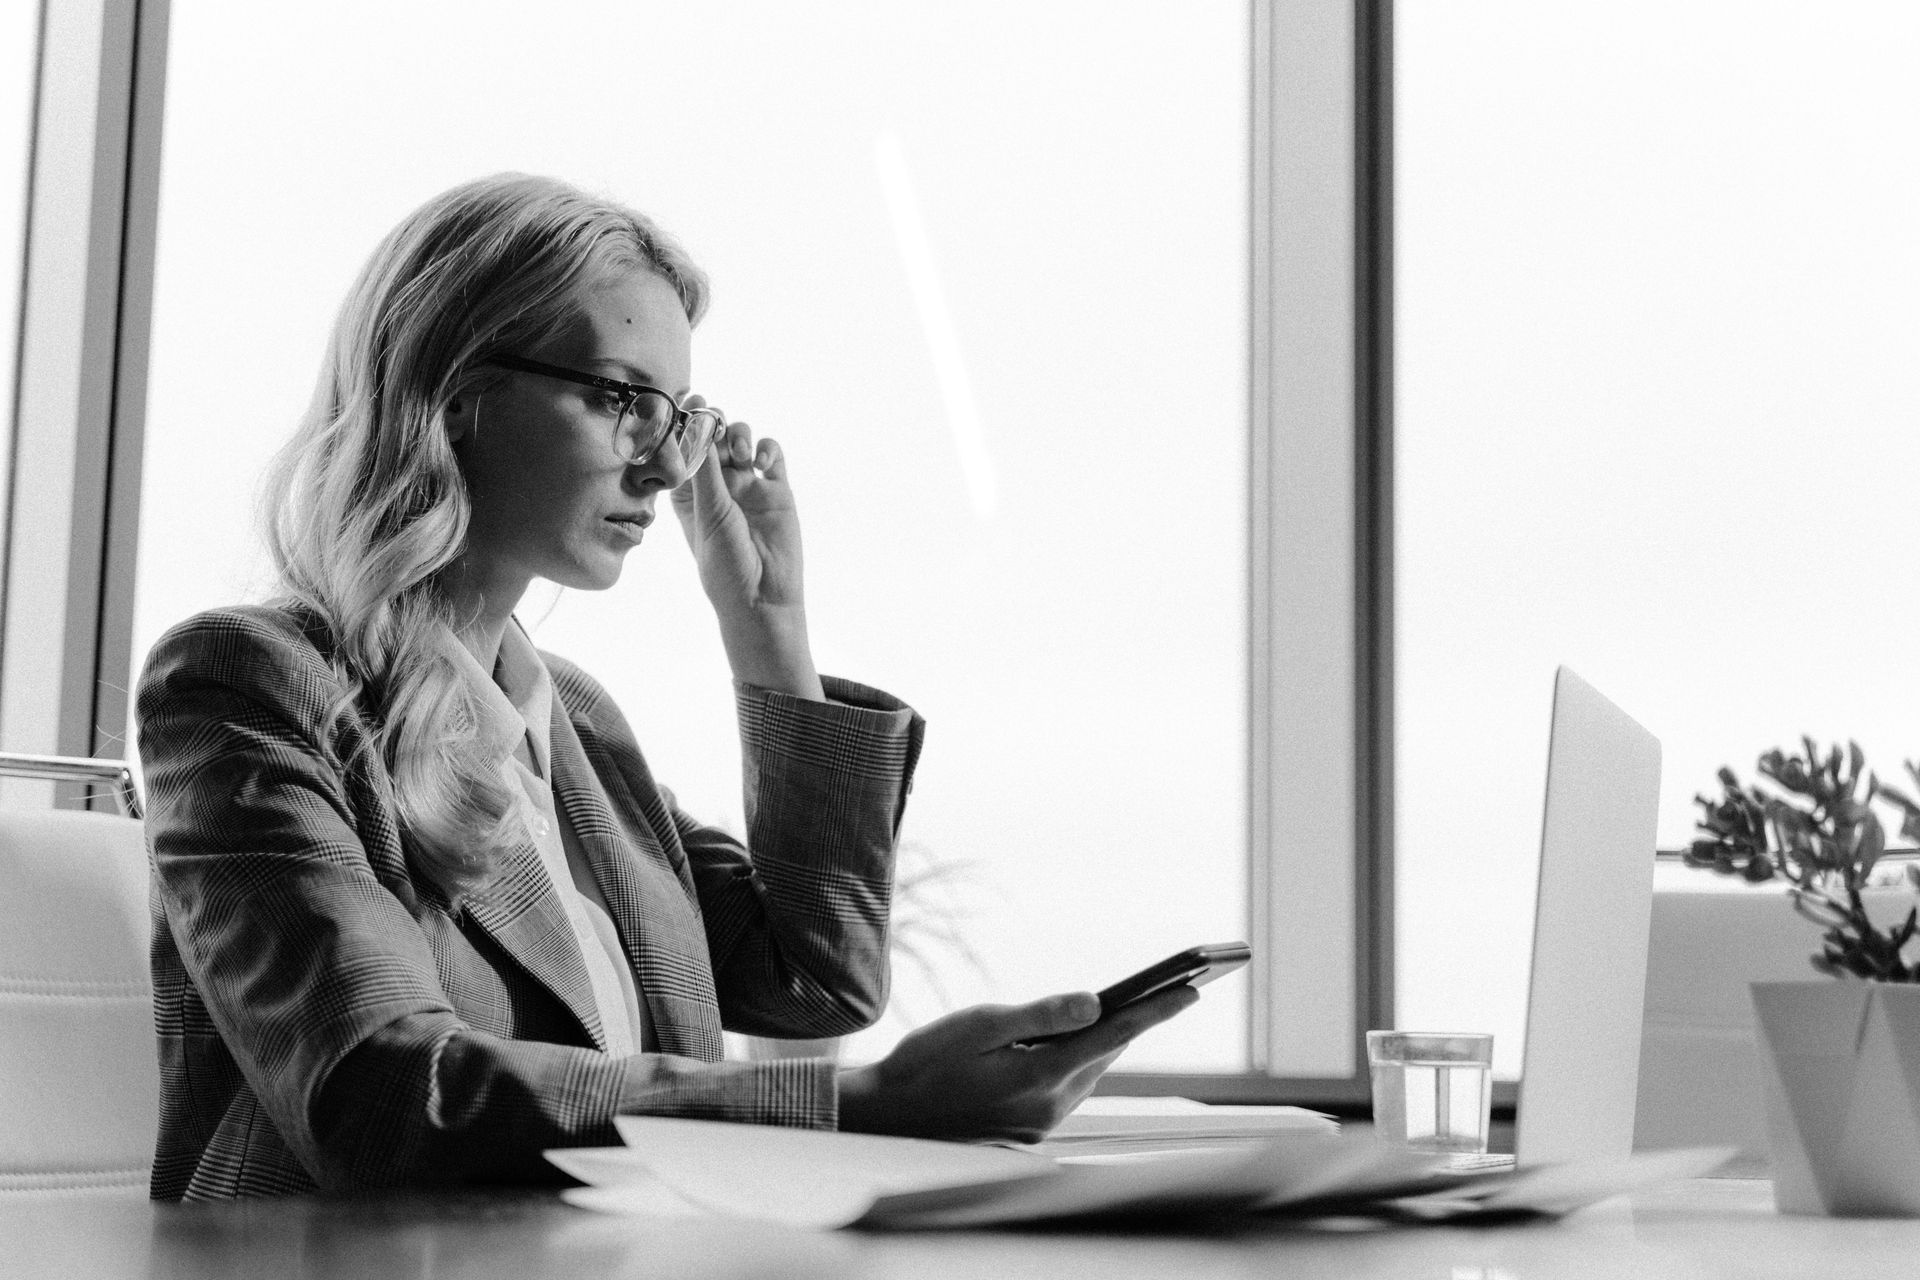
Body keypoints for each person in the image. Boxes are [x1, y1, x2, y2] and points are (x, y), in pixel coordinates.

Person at [136, 173, 1196, 1201]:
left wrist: (766, 625)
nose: (663, 468)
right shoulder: (248, 683)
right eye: (621, 401)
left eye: (677, 415)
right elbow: (377, 1093)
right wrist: (862, 1105)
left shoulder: (576, 722)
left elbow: (815, 977)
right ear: (459, 396)